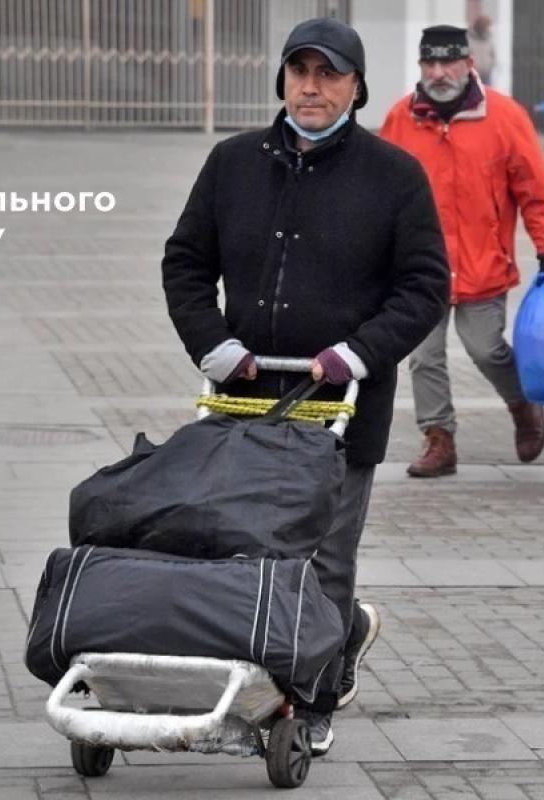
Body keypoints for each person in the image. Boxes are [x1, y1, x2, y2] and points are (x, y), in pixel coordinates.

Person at [161, 17, 448, 754]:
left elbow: (422, 287)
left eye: (329, 74)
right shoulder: (232, 164)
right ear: (282, 80)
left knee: (324, 559)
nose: (311, 88)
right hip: (244, 399)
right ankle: (303, 649)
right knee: (238, 549)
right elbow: (187, 264)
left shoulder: (393, 175)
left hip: (342, 409)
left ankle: (312, 701)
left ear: (355, 88)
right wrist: (214, 343)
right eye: (300, 72)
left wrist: (358, 353)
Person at [379, 25, 544, 478]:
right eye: (431, 63)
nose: (439, 73)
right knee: (423, 355)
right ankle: (439, 439)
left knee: (485, 349)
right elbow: (376, 194)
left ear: (469, 63)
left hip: (484, 262)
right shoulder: (401, 120)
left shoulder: (505, 116)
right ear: (421, 66)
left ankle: (522, 405)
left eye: (449, 62)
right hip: (419, 267)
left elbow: (535, 191)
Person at [467, 15, 495, 85]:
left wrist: (490, 65)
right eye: (485, 26)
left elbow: (493, 54)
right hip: (473, 73)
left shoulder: (489, 39)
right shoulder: (469, 39)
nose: (487, 28)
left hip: (486, 73)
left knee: (487, 93)